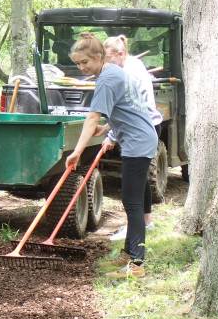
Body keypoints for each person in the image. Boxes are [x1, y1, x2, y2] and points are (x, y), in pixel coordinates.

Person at [65, 32, 158, 278]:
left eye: (85, 62)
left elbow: (92, 116)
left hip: (137, 142)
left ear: (99, 57)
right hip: (140, 137)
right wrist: (107, 129)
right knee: (136, 198)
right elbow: (127, 106)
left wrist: (77, 151)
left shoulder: (107, 78)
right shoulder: (114, 73)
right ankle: (130, 253)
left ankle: (137, 264)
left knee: (132, 202)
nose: (81, 67)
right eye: (77, 64)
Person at [104, 35, 163, 241]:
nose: (107, 65)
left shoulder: (128, 72)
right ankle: (147, 222)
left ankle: (134, 231)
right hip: (145, 126)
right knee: (141, 180)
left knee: (131, 191)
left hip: (142, 128)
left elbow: (132, 108)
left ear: (120, 53)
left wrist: (111, 135)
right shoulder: (132, 64)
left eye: (109, 59)